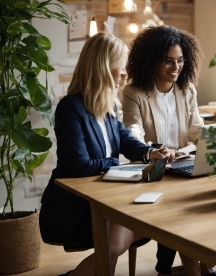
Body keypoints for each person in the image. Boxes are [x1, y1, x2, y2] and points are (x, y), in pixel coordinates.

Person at [39, 33, 174, 276]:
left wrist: (151, 152)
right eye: (120, 66)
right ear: (102, 67)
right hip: (74, 208)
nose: (124, 73)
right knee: (120, 237)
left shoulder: (109, 105)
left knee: (158, 218)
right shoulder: (70, 107)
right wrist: (116, 165)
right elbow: (79, 165)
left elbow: (126, 141)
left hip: (105, 201)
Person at [122, 26, 216, 276]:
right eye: (168, 61)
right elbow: (133, 130)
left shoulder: (187, 90)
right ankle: (200, 270)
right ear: (151, 61)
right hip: (157, 171)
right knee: (186, 210)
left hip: (185, 165)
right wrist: (149, 149)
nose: (176, 68)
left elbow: (197, 131)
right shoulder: (134, 92)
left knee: (207, 201)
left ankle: (203, 267)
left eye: (180, 61)